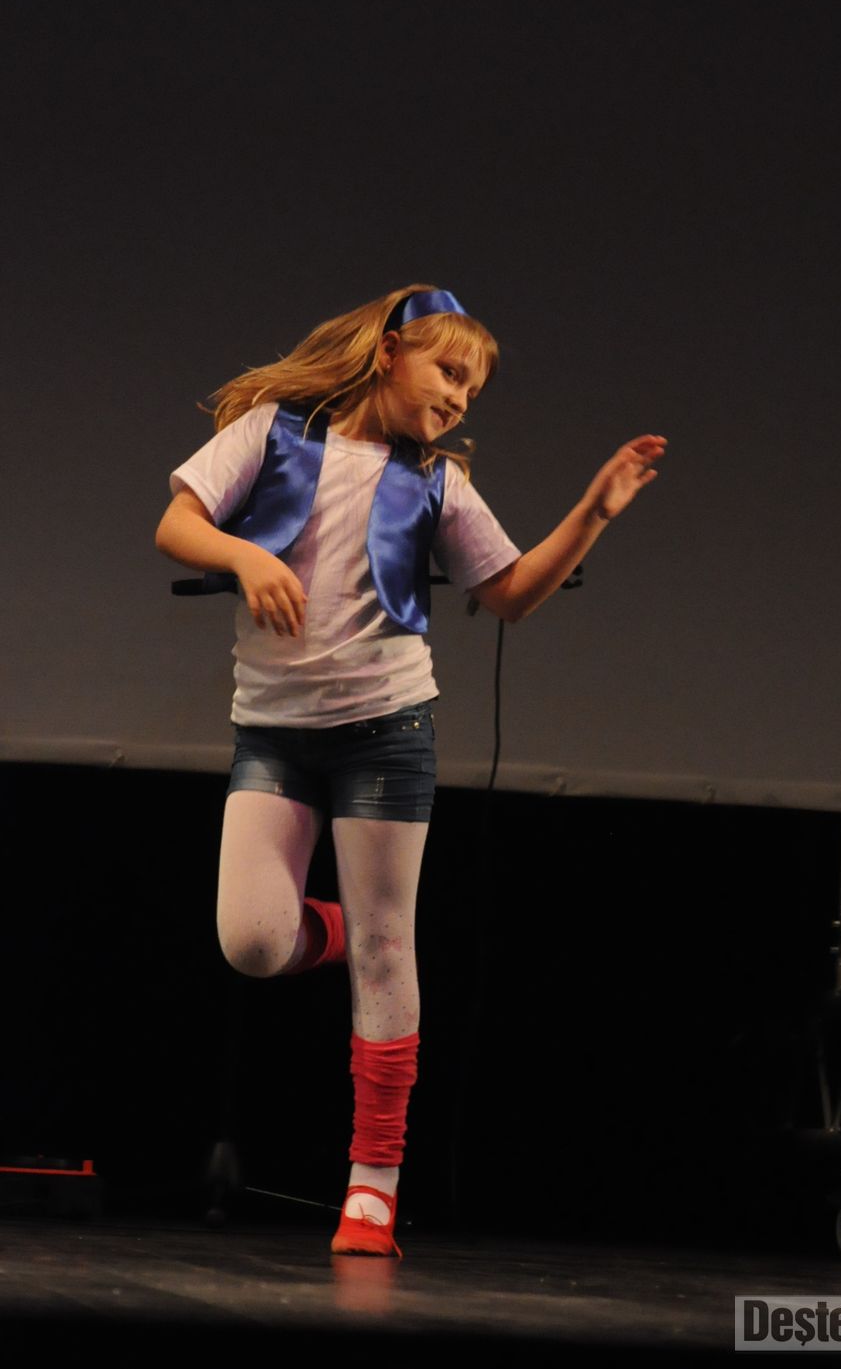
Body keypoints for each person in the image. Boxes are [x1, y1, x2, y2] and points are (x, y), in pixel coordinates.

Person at [155, 283, 665, 1258]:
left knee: (391, 953)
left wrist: (594, 511)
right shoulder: (274, 432)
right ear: (390, 352)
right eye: (449, 371)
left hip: (385, 731)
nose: (461, 397)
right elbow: (177, 523)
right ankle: (346, 927)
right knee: (252, 943)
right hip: (274, 731)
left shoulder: (435, 481)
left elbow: (510, 592)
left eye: (474, 387)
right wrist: (244, 558)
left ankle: (372, 1186)